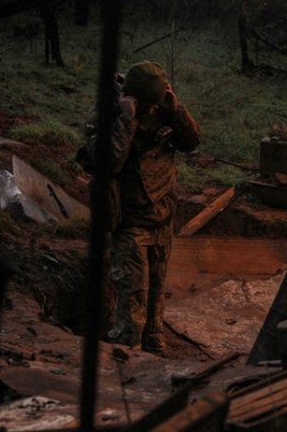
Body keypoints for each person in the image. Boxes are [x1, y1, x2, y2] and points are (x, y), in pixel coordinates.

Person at [84, 60, 200, 354]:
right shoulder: (110, 114)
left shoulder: (165, 109)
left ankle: (153, 339)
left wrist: (176, 112)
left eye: (154, 104)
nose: (151, 111)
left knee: (157, 287)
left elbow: (191, 142)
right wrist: (127, 119)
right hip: (130, 219)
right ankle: (126, 348)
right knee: (132, 290)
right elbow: (109, 163)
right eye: (146, 105)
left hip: (162, 213)